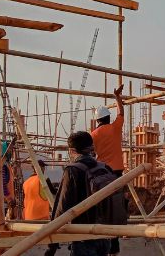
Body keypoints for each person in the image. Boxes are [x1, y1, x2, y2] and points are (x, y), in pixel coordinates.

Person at [47, 131, 111, 256]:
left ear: (71, 150)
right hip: (105, 236)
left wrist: (52, 245)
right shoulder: (104, 168)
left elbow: (61, 208)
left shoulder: (73, 170)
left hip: (83, 238)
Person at [90, 84, 125, 255]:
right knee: (116, 208)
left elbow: (89, 154)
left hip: (101, 174)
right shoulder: (115, 127)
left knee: (102, 209)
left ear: (97, 120)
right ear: (108, 118)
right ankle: (115, 246)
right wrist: (117, 97)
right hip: (117, 173)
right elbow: (121, 112)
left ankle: (102, 243)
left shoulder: (93, 135)